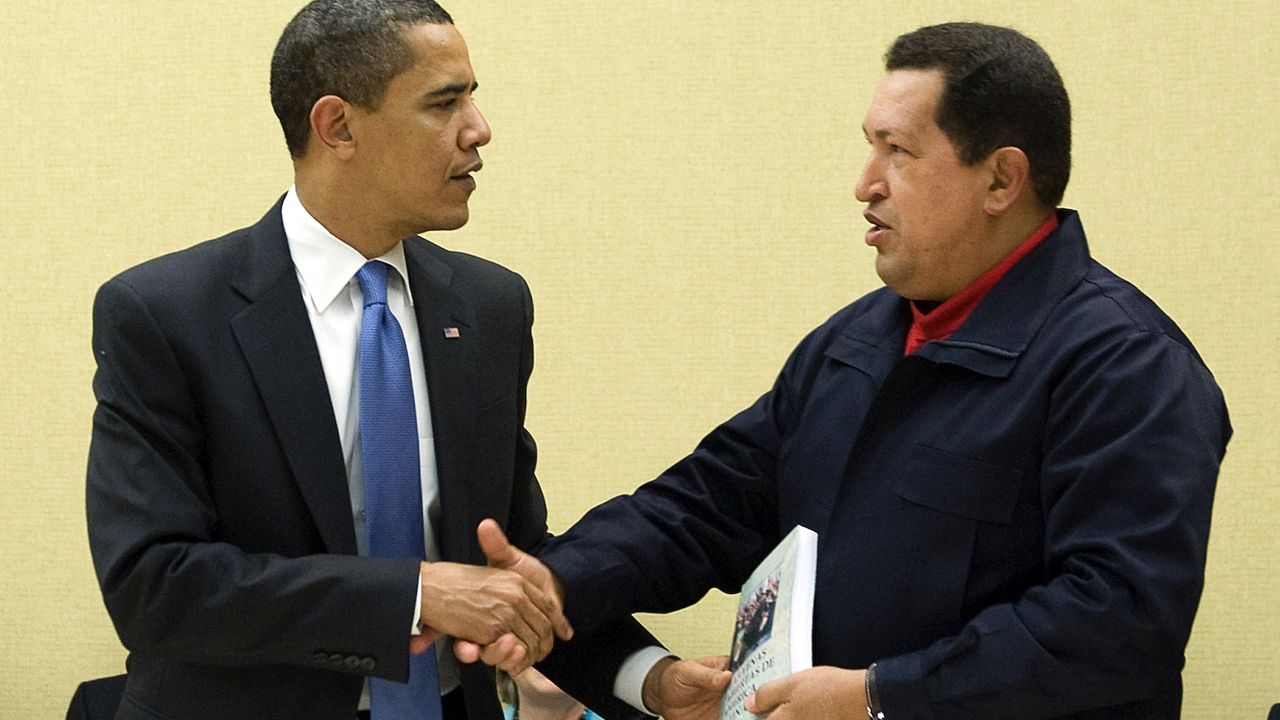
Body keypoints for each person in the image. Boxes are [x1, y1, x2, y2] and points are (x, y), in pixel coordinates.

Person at [485, 21, 1231, 720]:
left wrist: (882, 698)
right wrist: (553, 581)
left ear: (1002, 180)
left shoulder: (1125, 365)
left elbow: (1118, 625)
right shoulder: (858, 340)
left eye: (897, 151)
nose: (865, 182)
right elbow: (707, 504)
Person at [85, 2, 652, 718]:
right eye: (445, 103)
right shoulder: (167, 315)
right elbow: (154, 585)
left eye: (472, 98)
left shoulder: (490, 306)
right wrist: (415, 596)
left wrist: (645, 676)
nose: (479, 130)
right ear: (338, 126)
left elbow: (512, 562)